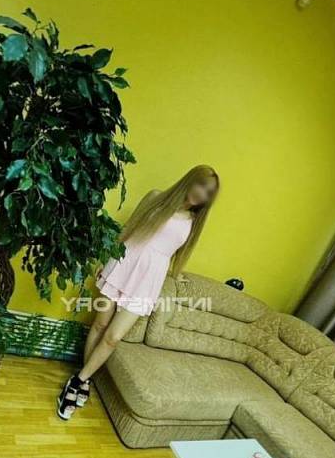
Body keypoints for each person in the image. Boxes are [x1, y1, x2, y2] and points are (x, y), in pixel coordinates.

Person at [57, 164, 220, 420]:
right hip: (124, 262)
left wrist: (178, 276)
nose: (202, 194)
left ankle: (77, 380)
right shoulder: (156, 197)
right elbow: (129, 228)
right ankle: (84, 381)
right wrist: (106, 257)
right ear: (190, 179)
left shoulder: (193, 222)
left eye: (209, 193)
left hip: (148, 279)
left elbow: (174, 254)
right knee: (100, 325)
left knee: (113, 337)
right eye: (202, 185)